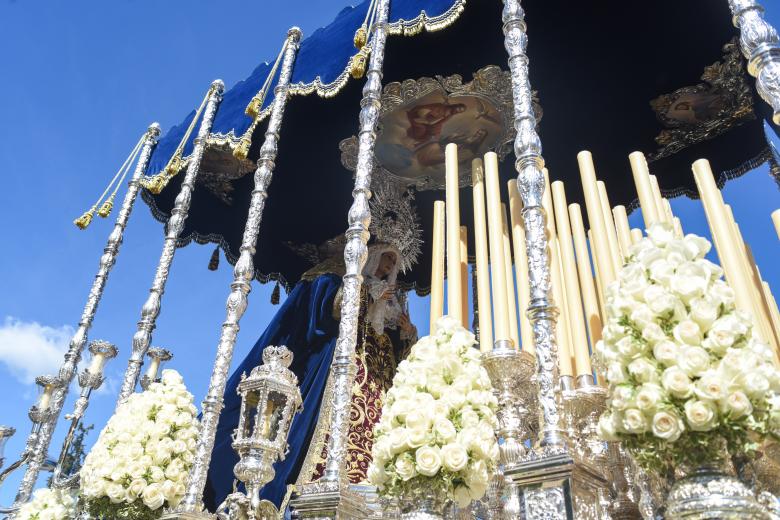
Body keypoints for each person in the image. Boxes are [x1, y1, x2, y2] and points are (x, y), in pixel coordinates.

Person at [204, 243, 417, 513]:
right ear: (371, 255)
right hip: (346, 370)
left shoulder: (393, 302)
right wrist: (368, 294)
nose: (388, 267)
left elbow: (396, 351)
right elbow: (331, 313)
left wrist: (407, 332)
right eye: (386, 259)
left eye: (393, 264)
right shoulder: (344, 279)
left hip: (378, 382)